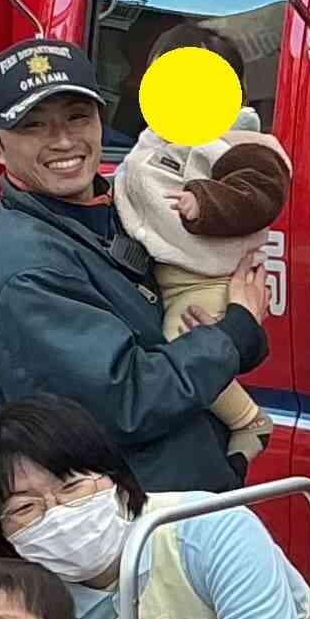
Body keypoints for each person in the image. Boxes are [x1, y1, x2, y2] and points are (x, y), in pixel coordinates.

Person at [0, 38, 270, 497]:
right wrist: (233, 335)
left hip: (177, 506)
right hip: (126, 534)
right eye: (35, 126)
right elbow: (124, 401)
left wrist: (225, 330)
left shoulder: (115, 211)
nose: (64, 140)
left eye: (77, 117)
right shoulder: (27, 270)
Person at [0, 395, 310, 619]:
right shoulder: (14, 600)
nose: (59, 514)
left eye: (73, 487)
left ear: (117, 479)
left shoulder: (210, 529)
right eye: (26, 507)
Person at [110, 65, 292, 469]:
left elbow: (260, 193)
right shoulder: (162, 142)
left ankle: (249, 420)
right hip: (175, 277)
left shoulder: (239, 140)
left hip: (208, 279)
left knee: (182, 342)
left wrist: (205, 203)